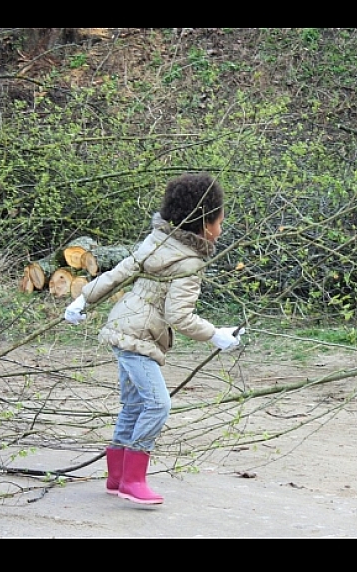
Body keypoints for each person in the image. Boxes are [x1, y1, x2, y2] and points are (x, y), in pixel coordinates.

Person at [63, 173, 243, 505]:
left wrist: (84, 298)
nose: (222, 226)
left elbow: (120, 272)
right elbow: (179, 316)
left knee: (133, 405)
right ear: (205, 225)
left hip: (122, 327)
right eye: (220, 219)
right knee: (158, 405)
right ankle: (133, 479)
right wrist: (215, 335)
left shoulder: (158, 240)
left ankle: (117, 477)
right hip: (140, 337)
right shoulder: (190, 261)